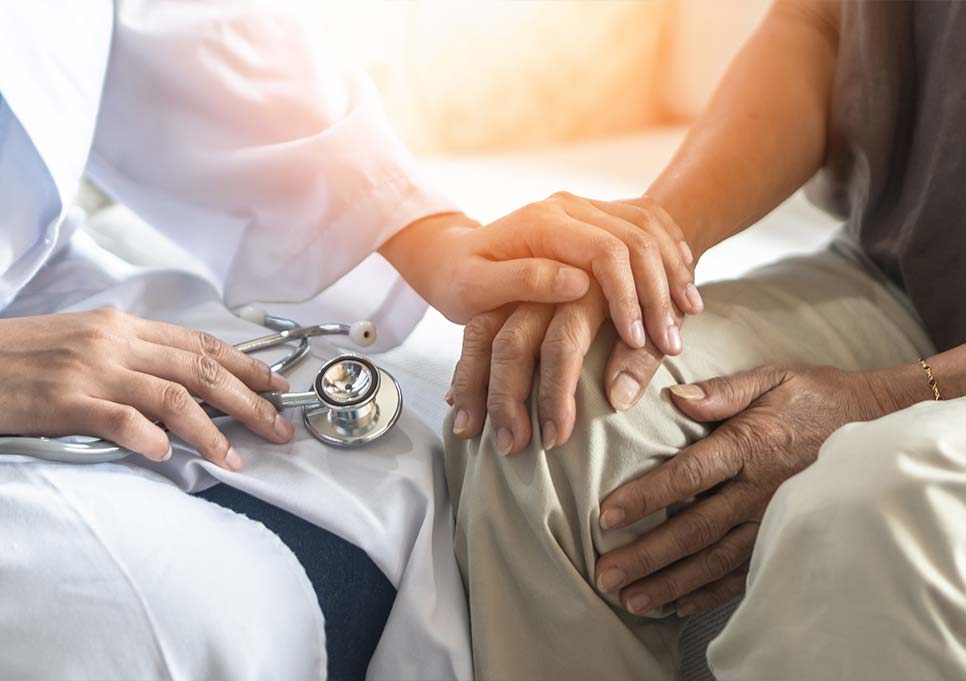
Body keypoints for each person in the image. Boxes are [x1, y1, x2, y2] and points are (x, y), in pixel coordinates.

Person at [0, 2, 704, 679]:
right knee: (160, 618)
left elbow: (178, 21)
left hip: (49, 293)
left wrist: (433, 239)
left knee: (408, 472)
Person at [445, 1, 966, 679]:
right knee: (555, 402)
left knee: (872, 510)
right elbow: (821, 26)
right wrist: (650, 242)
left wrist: (883, 400)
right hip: (904, 274)